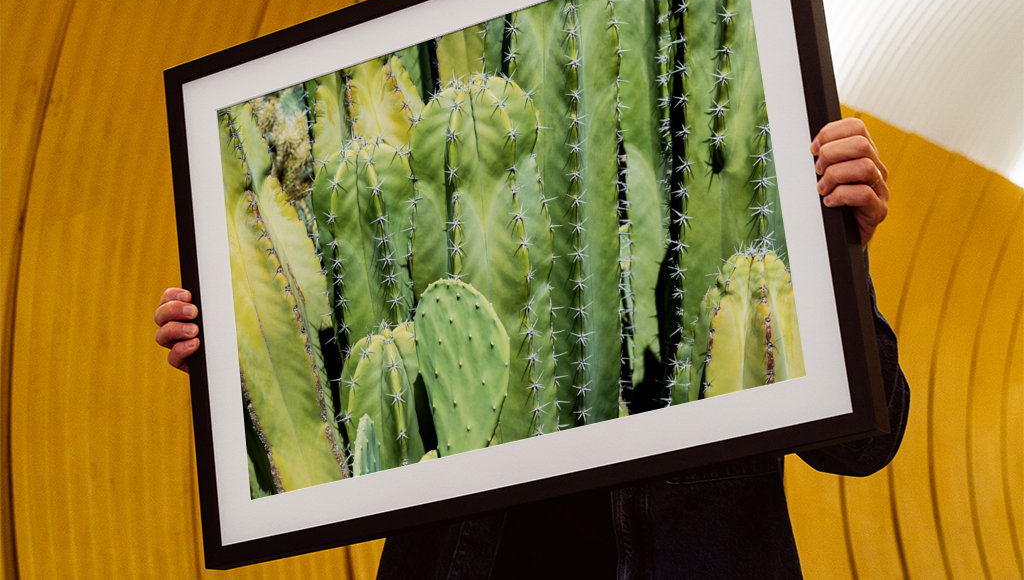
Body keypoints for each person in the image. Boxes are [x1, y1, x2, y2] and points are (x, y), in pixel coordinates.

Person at [155, 118, 908, 579]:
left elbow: (866, 443)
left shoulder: (733, 250)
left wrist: (838, 252)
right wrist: (238, 349)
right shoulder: (450, 262)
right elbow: (362, 399)